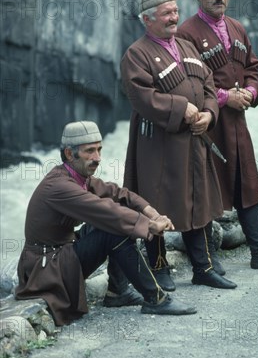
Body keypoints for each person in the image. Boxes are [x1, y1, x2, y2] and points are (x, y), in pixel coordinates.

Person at [15, 121, 197, 326]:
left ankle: (117, 292)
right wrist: (149, 226)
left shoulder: (77, 177)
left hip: (60, 253)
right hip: (47, 268)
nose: (98, 158)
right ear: (69, 154)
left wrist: (150, 212)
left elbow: (118, 193)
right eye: (90, 151)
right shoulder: (59, 186)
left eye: (99, 150)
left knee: (115, 222)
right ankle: (156, 299)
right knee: (113, 229)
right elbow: (106, 211)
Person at [177, 0, 258, 270]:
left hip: (237, 123)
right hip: (207, 123)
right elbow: (185, 83)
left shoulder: (237, 27)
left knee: (247, 185)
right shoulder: (185, 33)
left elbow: (252, 68)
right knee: (203, 188)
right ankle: (208, 260)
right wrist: (223, 97)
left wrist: (251, 93)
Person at [121, 0, 237, 290]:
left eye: (175, 11)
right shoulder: (137, 53)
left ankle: (203, 267)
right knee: (157, 202)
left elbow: (210, 85)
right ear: (147, 20)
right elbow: (140, 96)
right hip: (158, 144)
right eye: (166, 14)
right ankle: (160, 270)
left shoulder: (187, 46)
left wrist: (209, 114)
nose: (174, 18)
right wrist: (179, 108)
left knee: (197, 199)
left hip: (193, 139)